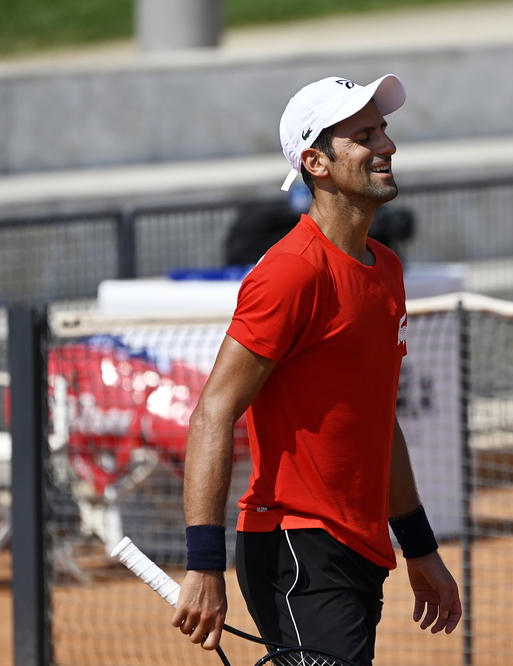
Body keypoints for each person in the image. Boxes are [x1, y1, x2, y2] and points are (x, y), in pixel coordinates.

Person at [170, 74, 463, 665]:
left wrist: (419, 547)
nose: (386, 145)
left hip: (359, 547)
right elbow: (212, 414)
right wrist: (203, 563)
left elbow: (378, 424)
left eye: (382, 129)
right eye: (362, 136)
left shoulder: (386, 270)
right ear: (316, 162)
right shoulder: (290, 273)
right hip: (296, 545)